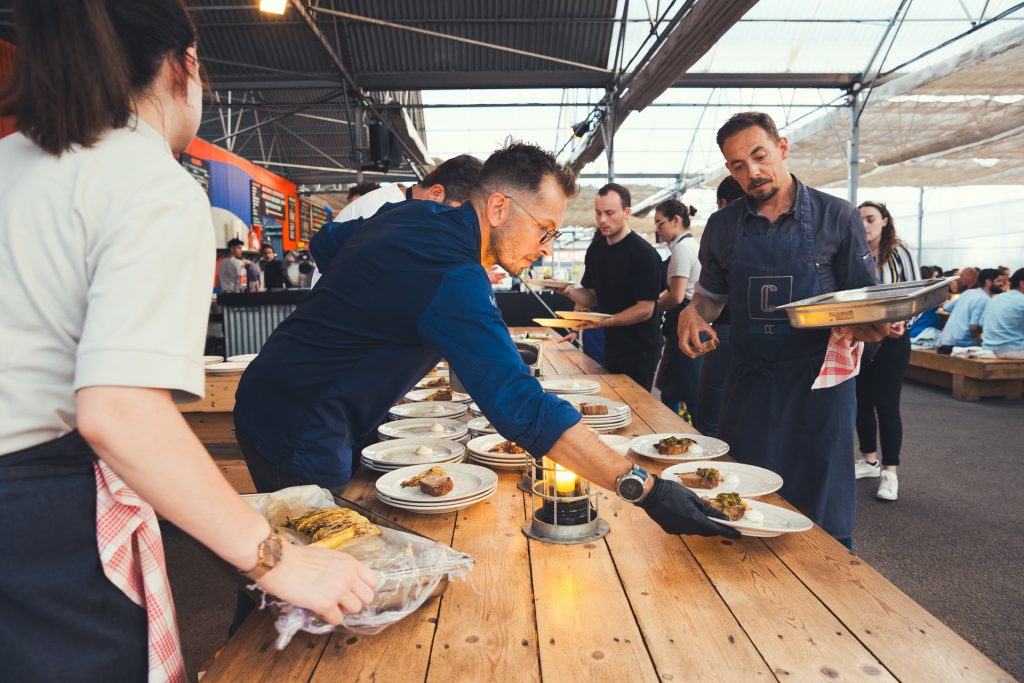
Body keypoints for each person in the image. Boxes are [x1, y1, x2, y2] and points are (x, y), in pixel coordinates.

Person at [0, 1, 378, 680]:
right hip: (35, 524)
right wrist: (277, 557)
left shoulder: (10, 161)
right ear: (186, 66)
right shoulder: (149, 182)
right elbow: (119, 413)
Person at [233, 140, 739, 526]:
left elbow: (330, 246)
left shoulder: (412, 212)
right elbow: (521, 407)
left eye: (554, 237)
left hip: (294, 397)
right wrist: (644, 489)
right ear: (497, 208)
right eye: (544, 229)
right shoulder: (453, 273)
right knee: (305, 566)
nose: (544, 247)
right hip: (297, 421)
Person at [677, 112, 887, 547]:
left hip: (820, 390)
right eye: (737, 165)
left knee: (821, 508)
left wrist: (873, 325)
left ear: (782, 148)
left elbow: (866, 303)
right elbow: (710, 299)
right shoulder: (721, 227)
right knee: (742, 506)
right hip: (751, 384)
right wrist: (692, 314)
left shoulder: (838, 217)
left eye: (760, 156)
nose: (751, 172)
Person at [310, 154, 483, 287]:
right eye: (458, 212)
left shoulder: (407, 210)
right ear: (436, 194)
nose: (460, 224)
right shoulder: (381, 207)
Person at [557, 184, 664, 390]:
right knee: (611, 398)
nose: (602, 220)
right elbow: (592, 297)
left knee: (638, 407)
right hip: (612, 343)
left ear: (627, 213)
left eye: (609, 213)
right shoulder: (596, 251)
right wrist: (567, 291)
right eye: (598, 213)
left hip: (641, 347)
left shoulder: (643, 254)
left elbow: (645, 309)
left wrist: (607, 321)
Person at [853, 201, 917, 501]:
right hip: (861, 339)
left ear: (884, 221)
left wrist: (904, 320)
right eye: (860, 219)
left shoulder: (900, 252)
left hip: (893, 340)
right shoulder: (853, 254)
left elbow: (917, 294)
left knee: (887, 405)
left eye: (870, 218)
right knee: (861, 401)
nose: (864, 224)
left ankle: (890, 472)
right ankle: (869, 460)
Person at [693, 176, 746, 437]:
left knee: (710, 418)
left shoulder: (723, 229)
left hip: (725, 331)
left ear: (722, 203)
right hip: (771, 343)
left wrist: (692, 312)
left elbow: (709, 296)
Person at [653, 198, 702, 416]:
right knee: (689, 392)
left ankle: (672, 432)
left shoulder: (682, 249)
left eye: (660, 223)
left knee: (672, 392)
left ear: (675, 220)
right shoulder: (693, 245)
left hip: (682, 324)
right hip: (695, 323)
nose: (657, 229)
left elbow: (676, 296)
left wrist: (651, 308)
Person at [937, 268, 1003, 353]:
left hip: (946, 340)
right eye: (999, 281)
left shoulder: (969, 292)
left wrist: (962, 314)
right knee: (996, 347)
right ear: (988, 282)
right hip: (960, 343)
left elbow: (947, 307)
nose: (1002, 284)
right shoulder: (984, 299)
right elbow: (974, 327)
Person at [981, 267, 1024, 358]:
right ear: (1022, 284)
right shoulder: (1022, 300)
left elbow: (982, 323)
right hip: (1013, 351)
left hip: (989, 348)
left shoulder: (995, 298)